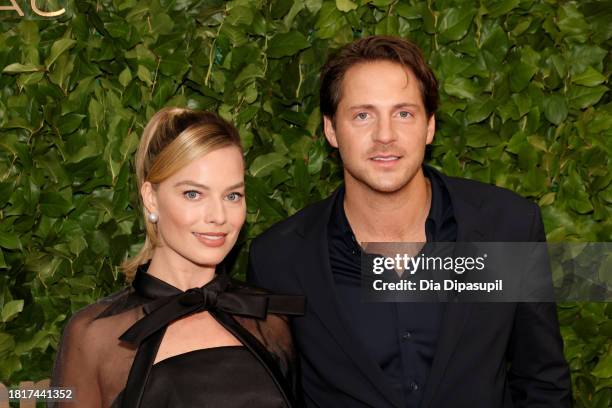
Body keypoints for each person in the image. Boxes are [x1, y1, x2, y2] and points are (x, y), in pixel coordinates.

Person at [247, 36, 572, 407]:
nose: (385, 136)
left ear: (430, 127)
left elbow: (543, 383)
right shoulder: (278, 258)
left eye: (404, 113)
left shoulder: (509, 227)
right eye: (362, 115)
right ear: (331, 130)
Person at [50, 107, 305, 408]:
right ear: (151, 197)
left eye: (232, 196)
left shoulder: (268, 317)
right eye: (193, 194)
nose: (219, 216)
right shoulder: (96, 334)